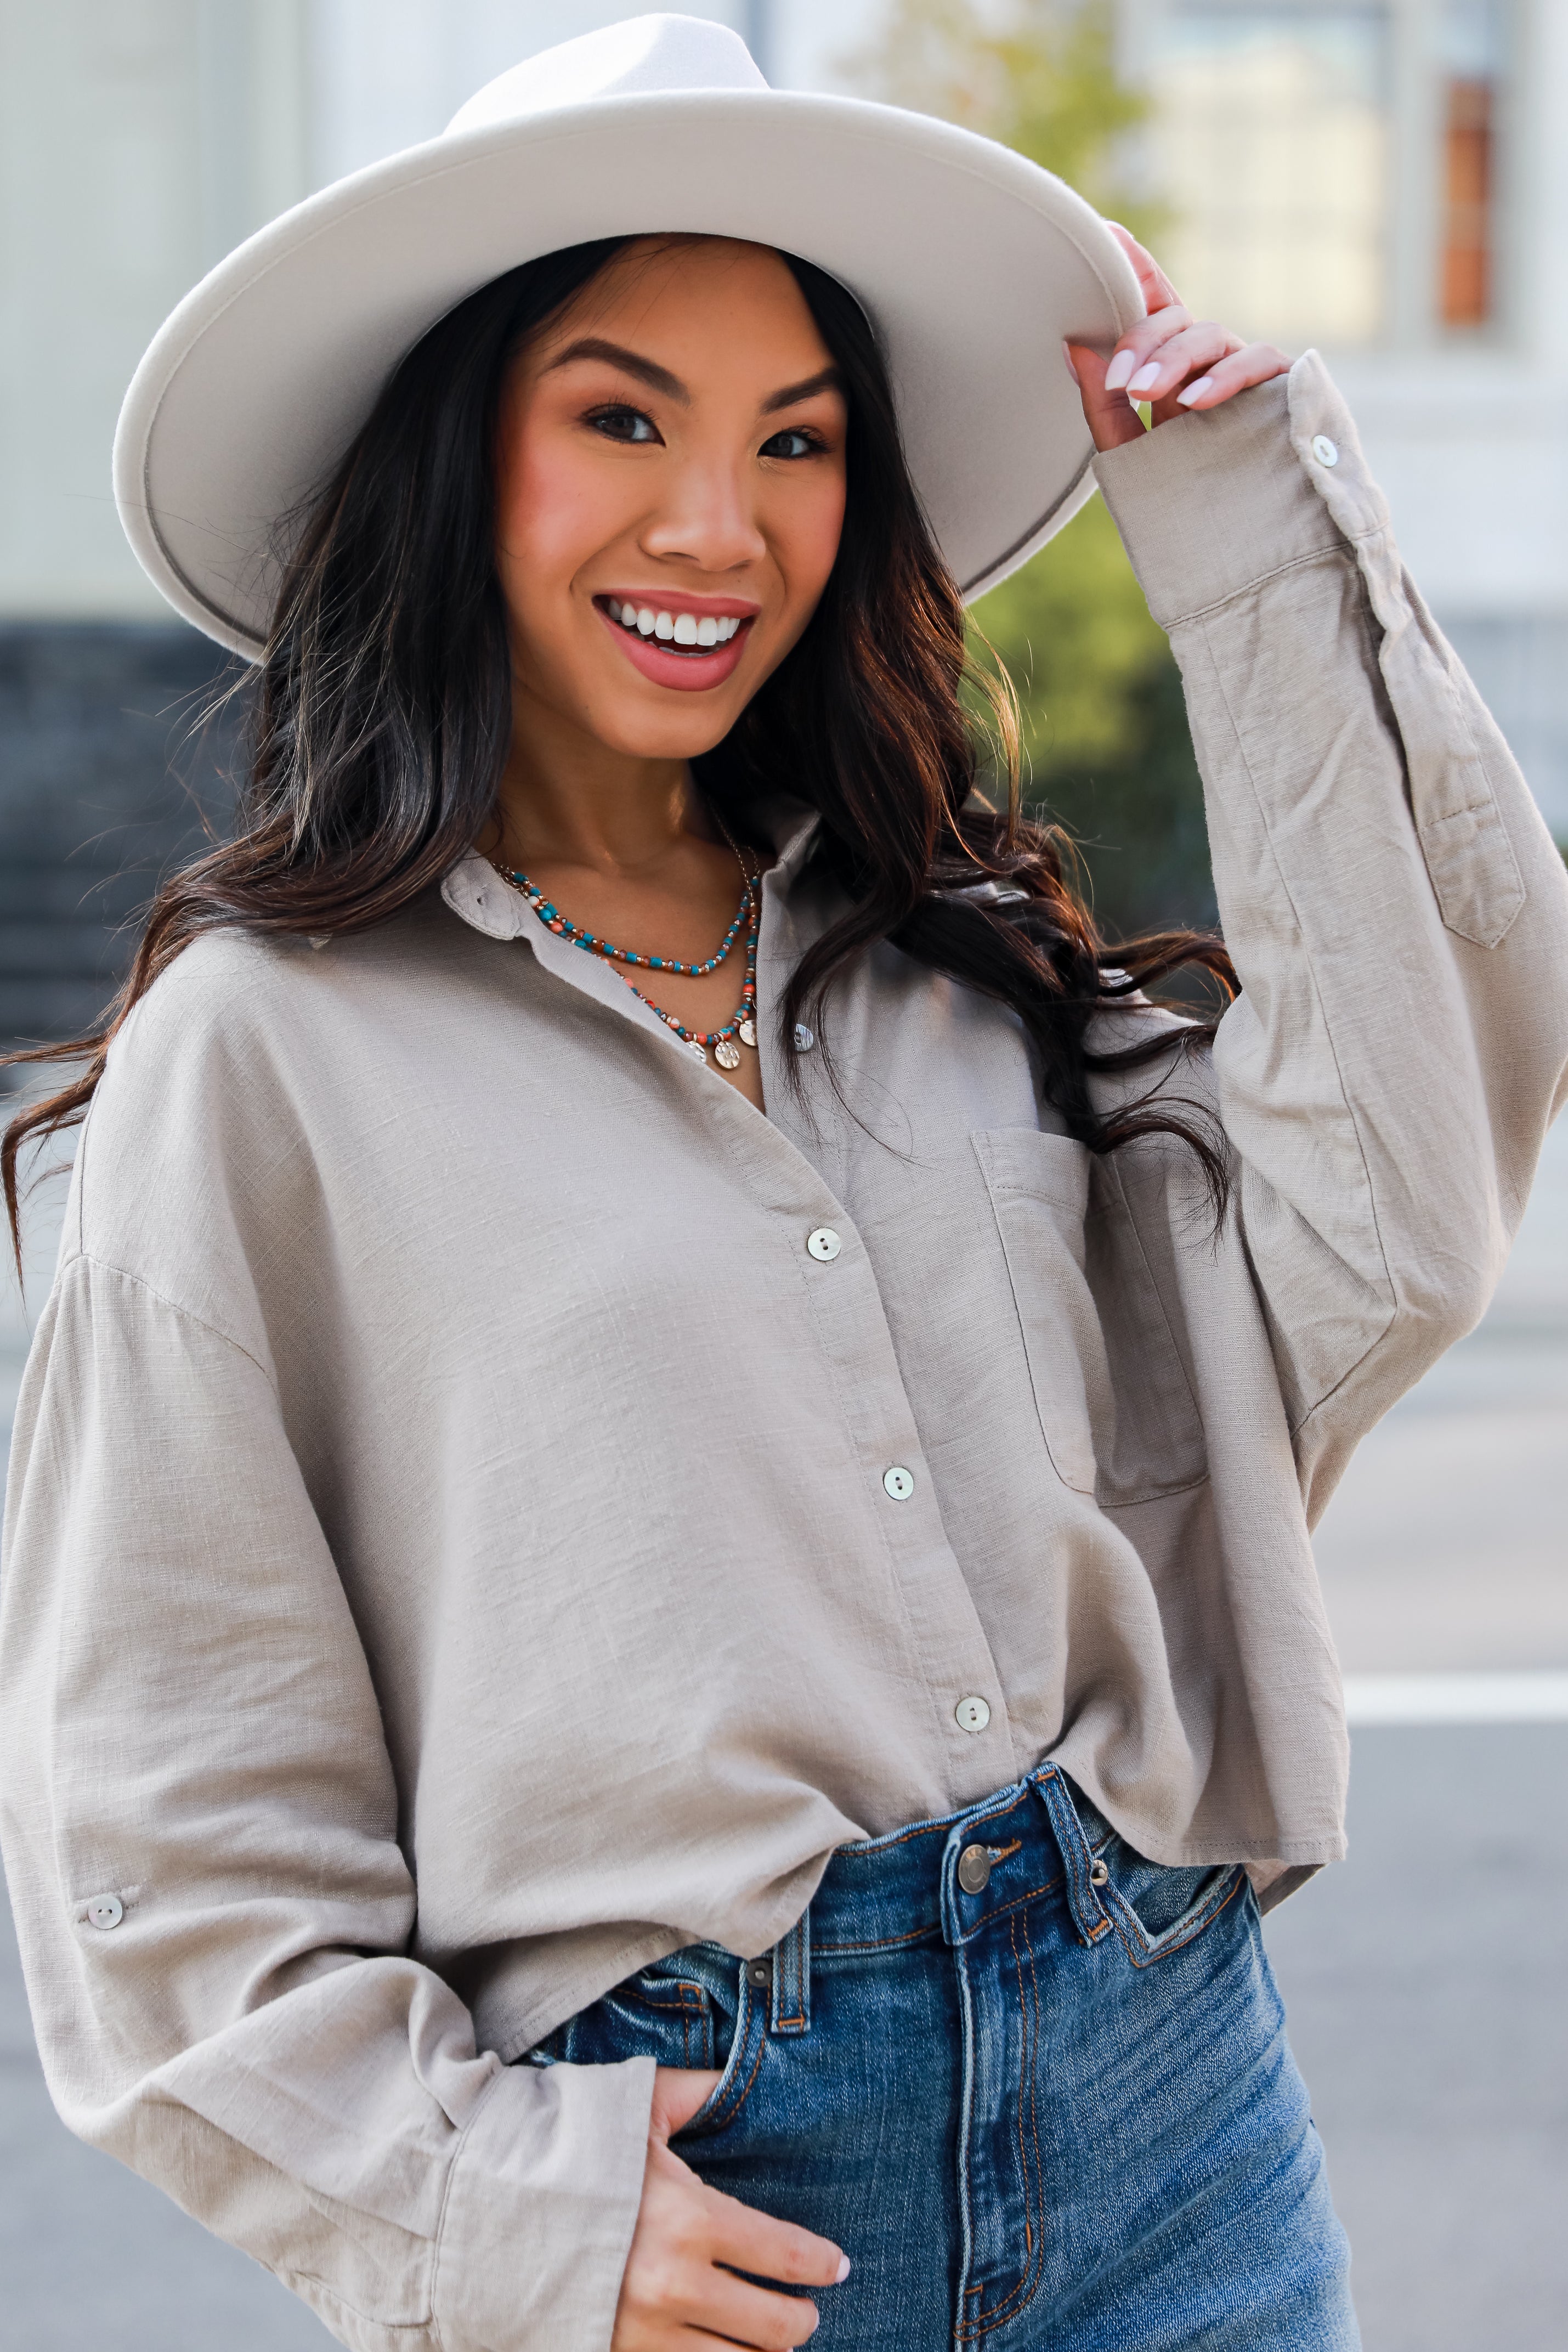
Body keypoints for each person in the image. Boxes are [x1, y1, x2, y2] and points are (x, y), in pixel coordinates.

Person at [2, 17, 1564, 2352]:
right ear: (454, 458)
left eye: (798, 440)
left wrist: (1245, 542)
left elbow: (1397, 1231)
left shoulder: (959, 972)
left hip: (1172, 2125)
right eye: (622, 419)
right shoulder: (262, 1055)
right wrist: (487, 2216)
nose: (718, 526)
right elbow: (164, 1819)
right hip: (708, 2195)